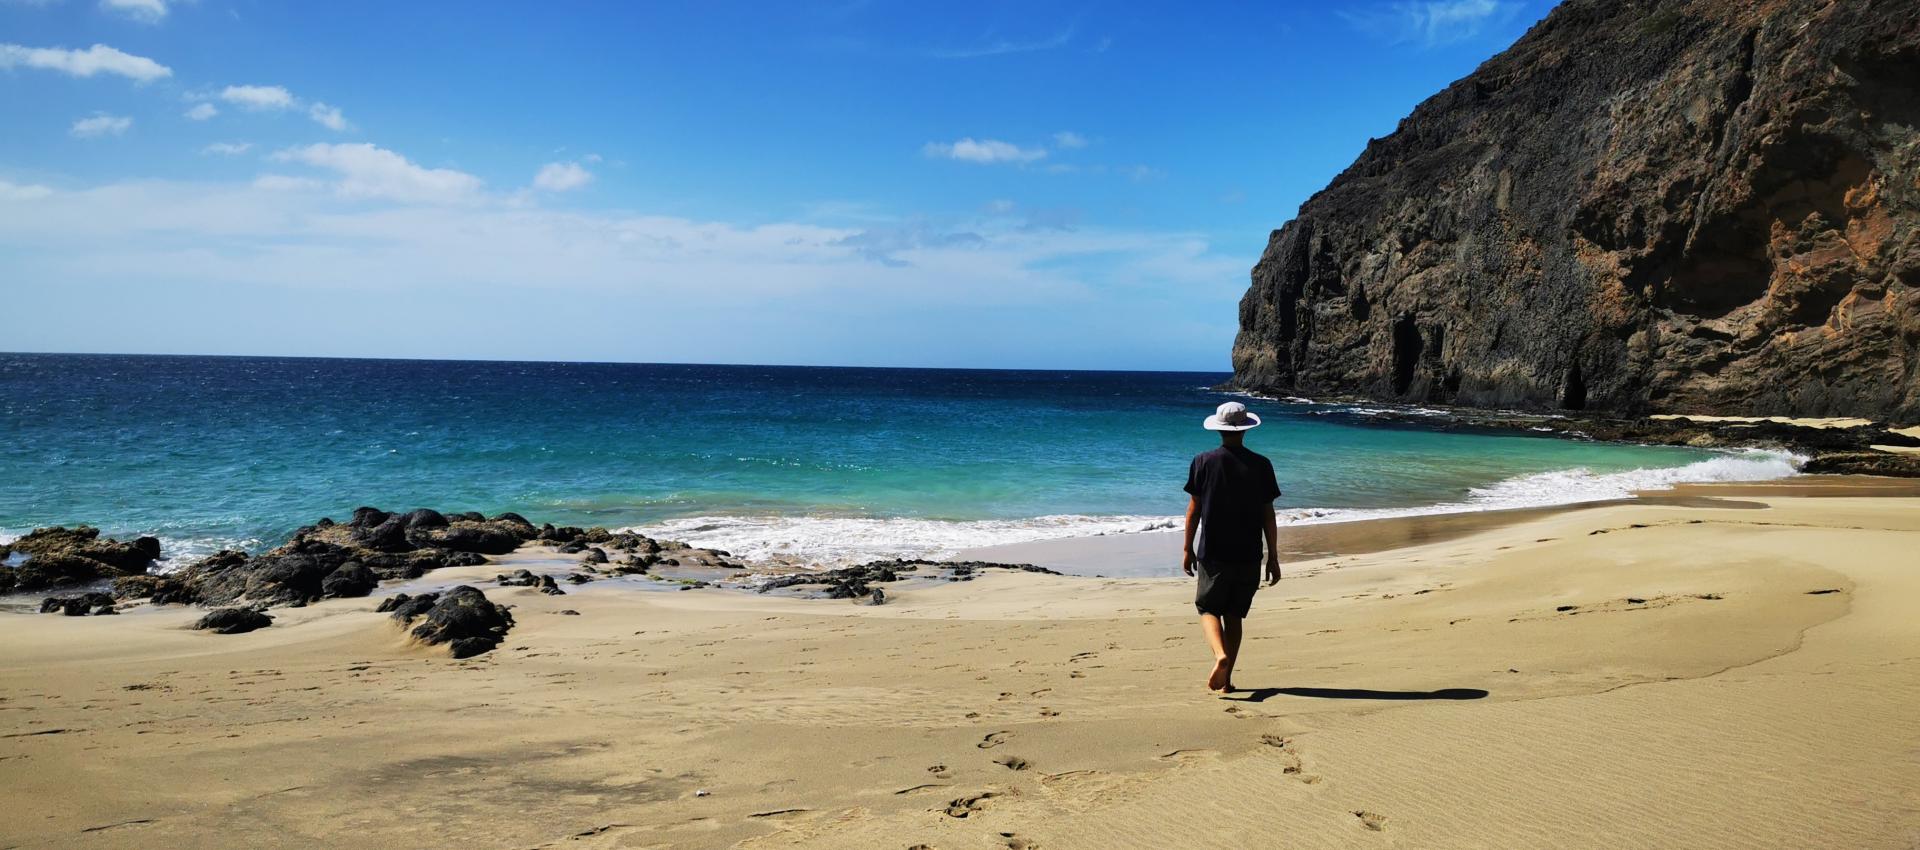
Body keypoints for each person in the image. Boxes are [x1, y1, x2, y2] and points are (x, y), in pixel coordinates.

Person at [1182, 400, 1282, 693]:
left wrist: (1187, 548)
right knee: (1234, 614)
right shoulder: (1262, 465)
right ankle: (1226, 681)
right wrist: (1273, 556)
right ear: (1245, 430)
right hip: (1249, 553)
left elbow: (1193, 510)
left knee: (1207, 607)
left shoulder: (1202, 462)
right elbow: (1268, 515)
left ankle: (1219, 655)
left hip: (1213, 552)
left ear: (1219, 430)